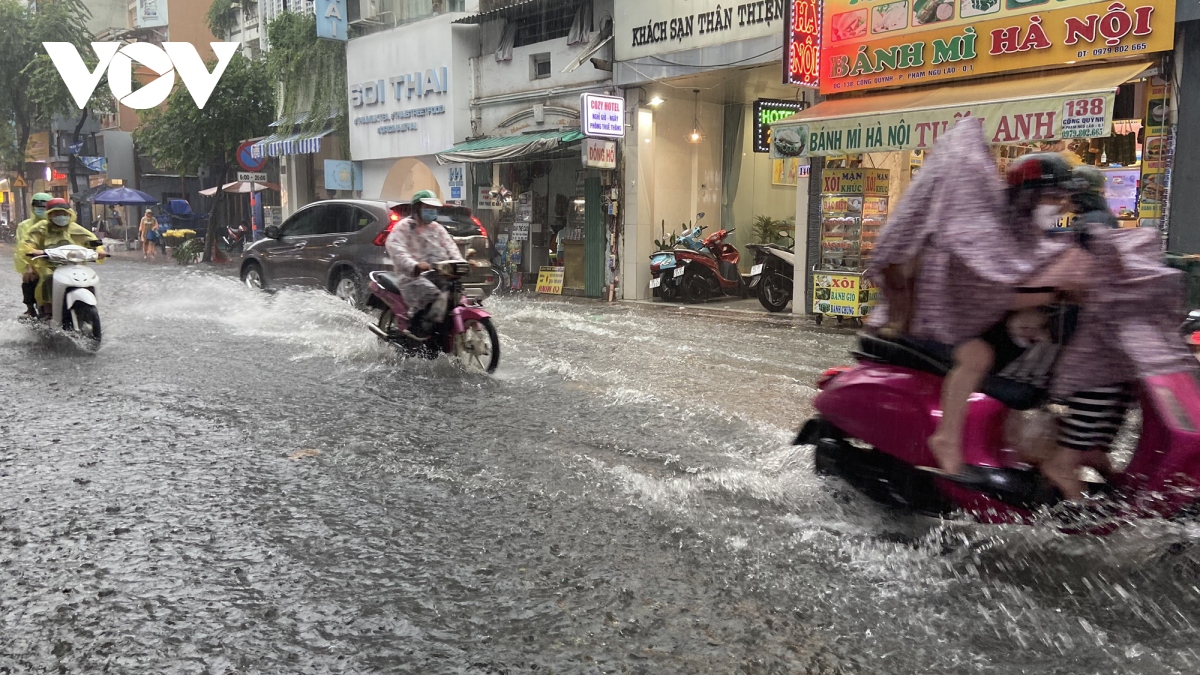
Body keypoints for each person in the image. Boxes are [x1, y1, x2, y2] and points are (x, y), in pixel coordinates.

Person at [868, 119, 1092, 476]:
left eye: (1063, 199)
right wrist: (1046, 291)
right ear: (1028, 197)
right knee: (977, 356)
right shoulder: (981, 234)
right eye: (1052, 197)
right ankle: (947, 437)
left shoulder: (1033, 236)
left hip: (988, 327)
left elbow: (1037, 270)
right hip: (940, 327)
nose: (1060, 205)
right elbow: (997, 288)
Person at [384, 190, 461, 341]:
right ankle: (418, 331)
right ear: (417, 208)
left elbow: (450, 247)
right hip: (411, 276)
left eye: (433, 208)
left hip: (437, 273)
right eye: (427, 207)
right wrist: (415, 265)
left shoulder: (437, 228)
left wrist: (461, 263)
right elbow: (396, 249)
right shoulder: (404, 227)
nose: (431, 211)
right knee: (432, 294)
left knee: (455, 295)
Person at [19, 198, 105, 318]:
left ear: (70, 214)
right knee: (47, 278)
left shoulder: (75, 228)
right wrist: (33, 251)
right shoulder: (40, 229)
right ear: (49, 215)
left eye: (64, 214)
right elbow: (27, 244)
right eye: (57, 213)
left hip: (74, 265)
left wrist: (99, 251)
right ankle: (47, 311)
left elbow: (92, 241)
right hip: (48, 266)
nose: (61, 216)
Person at [12, 193, 52, 318]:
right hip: (33, 261)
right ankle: (30, 309)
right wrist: (28, 266)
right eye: (37, 206)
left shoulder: (57, 224)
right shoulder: (25, 226)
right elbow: (22, 247)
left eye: (45, 206)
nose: (41, 209)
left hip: (56, 260)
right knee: (29, 278)